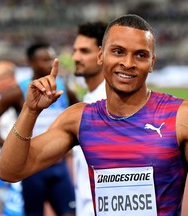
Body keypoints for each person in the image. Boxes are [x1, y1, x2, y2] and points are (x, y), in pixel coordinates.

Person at [0, 14, 188, 215]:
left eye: (140, 55)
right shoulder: (80, 119)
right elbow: (10, 171)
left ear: (152, 62)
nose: (128, 63)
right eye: (118, 51)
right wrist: (30, 111)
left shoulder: (183, 116)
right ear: (101, 55)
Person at [0, 43, 79, 216]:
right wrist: (5, 144)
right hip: (32, 167)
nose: (49, 63)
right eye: (44, 59)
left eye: (51, 59)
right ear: (31, 62)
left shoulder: (63, 90)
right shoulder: (19, 91)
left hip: (59, 167)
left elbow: (83, 117)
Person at [71, 21, 107, 216]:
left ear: (103, 55)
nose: (75, 57)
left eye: (84, 51)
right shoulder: (89, 98)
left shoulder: (110, 103)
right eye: (75, 50)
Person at [0, 60, 24, 216]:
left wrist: (7, 146)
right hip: (2, 162)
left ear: (8, 77)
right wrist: (5, 145)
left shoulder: (19, 95)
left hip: (22, 162)